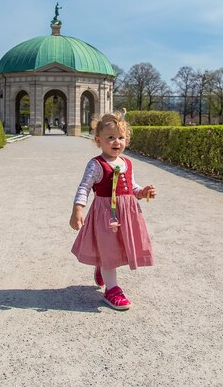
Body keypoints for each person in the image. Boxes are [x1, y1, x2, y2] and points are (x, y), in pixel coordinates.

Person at [70, 112, 156, 311]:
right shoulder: (96, 164)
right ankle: (112, 289)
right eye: (110, 137)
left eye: (120, 137)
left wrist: (142, 192)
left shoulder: (127, 163)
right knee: (109, 249)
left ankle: (102, 267)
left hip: (127, 215)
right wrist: (77, 209)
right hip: (105, 216)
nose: (116, 142)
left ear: (127, 139)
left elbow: (132, 187)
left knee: (117, 249)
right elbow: (84, 187)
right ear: (98, 140)